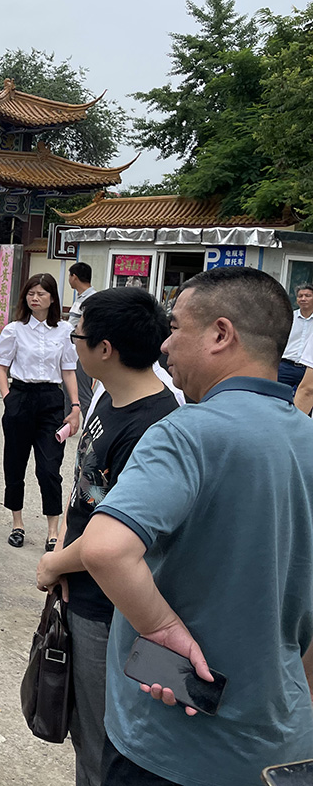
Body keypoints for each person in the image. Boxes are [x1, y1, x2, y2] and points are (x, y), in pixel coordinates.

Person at [80, 267, 313, 786]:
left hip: (170, 745)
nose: (164, 345)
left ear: (220, 334)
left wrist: (160, 629)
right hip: (283, 748)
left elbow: (105, 549)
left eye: (175, 328)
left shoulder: (187, 432)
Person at [34, 288, 178, 786]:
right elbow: (86, 495)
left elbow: (119, 535)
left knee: (105, 740)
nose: (72, 344)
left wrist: (54, 564)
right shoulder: (106, 397)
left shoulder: (154, 426)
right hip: (80, 583)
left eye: (77, 336)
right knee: (84, 728)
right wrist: (62, 553)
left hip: (109, 607)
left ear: (105, 348)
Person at [0, 273, 81, 550]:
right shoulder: (14, 330)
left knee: (49, 468)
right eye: (31, 293)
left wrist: (75, 406)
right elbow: (1, 367)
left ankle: (53, 530)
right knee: (15, 464)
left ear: (52, 298)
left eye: (41, 293)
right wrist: (8, 398)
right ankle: (17, 523)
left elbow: (69, 370)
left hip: (51, 401)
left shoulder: (64, 331)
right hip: (20, 397)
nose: (35, 298)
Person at [68, 262, 97, 416]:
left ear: (74, 277)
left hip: (81, 351)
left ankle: (89, 424)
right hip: (72, 350)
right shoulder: (81, 298)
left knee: (83, 393)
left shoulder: (91, 299)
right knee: (69, 390)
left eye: (70, 276)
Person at [278, 283, 313, 393]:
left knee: (305, 398)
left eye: (307, 296)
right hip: (286, 366)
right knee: (277, 396)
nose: (303, 299)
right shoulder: (289, 318)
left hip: (308, 369)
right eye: (300, 296)